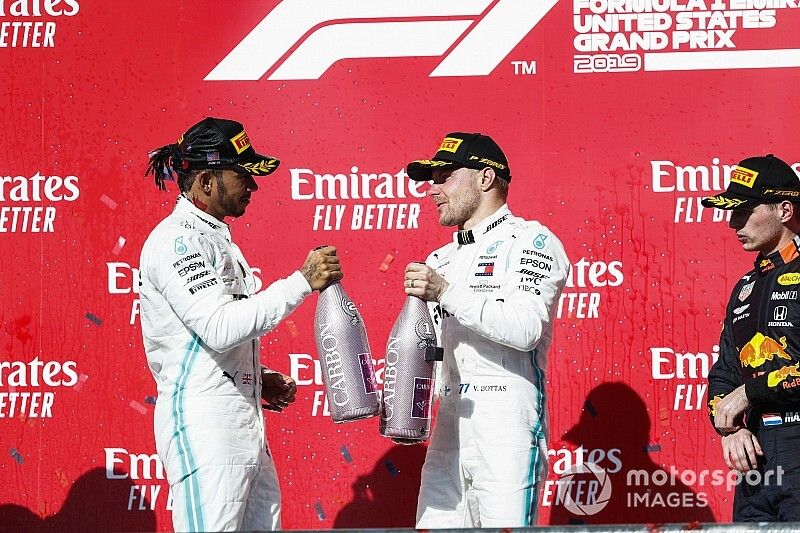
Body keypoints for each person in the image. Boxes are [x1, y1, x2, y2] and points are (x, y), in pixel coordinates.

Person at [140, 117, 341, 531]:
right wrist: (302, 281)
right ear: (208, 182)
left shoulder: (215, 238)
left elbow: (204, 338)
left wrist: (254, 376)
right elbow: (218, 325)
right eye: (243, 175)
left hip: (244, 423)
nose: (253, 185)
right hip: (205, 425)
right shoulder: (177, 240)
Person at [402, 132, 570, 527]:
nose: (432, 189)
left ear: (485, 178)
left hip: (505, 422)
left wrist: (445, 290)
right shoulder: (440, 257)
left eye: (444, 176)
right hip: (448, 425)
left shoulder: (532, 240)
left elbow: (525, 328)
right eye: (432, 178)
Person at [704, 154, 800, 521]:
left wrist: (750, 393)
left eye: (744, 212)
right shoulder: (745, 286)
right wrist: (728, 428)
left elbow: (743, 389)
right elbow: (725, 372)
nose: (732, 223)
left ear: (784, 209)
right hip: (756, 457)